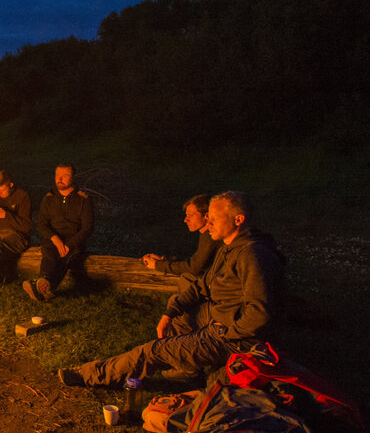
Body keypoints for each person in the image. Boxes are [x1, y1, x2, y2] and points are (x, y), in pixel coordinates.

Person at [59, 191, 284, 387]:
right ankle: (187, 368)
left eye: (215, 218)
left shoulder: (252, 255)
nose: (209, 222)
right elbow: (202, 284)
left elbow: (260, 312)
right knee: (180, 316)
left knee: (152, 351)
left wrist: (226, 333)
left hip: (235, 337)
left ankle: (89, 374)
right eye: (209, 217)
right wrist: (170, 310)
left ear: (238, 219)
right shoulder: (229, 248)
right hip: (219, 315)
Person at [24, 163, 94, 301]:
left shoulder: (82, 199)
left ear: (73, 177)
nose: (59, 178)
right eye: (57, 175)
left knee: (65, 257)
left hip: (74, 240)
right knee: (49, 255)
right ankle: (44, 284)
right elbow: (41, 224)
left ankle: (43, 285)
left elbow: (88, 228)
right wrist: (54, 238)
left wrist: (69, 244)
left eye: (65, 175)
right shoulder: (49, 198)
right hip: (53, 238)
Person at [141, 194, 218, 280]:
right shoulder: (205, 233)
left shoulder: (212, 237)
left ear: (206, 216)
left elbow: (194, 267)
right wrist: (164, 260)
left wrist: (157, 265)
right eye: (186, 215)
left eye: (190, 215)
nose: (186, 220)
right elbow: (194, 262)